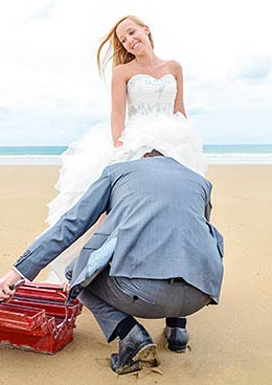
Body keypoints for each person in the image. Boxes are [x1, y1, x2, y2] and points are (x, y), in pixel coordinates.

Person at [0, 152, 225, 375]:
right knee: (182, 247)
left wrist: (16, 272)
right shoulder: (200, 182)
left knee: (75, 273)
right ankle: (177, 332)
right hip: (200, 294)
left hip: (143, 296)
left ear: (141, 160)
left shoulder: (118, 172)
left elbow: (71, 224)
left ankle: (130, 334)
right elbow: (192, 242)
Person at [45, 15, 206, 286]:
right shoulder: (123, 72)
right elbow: (117, 113)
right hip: (137, 139)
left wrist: (190, 147)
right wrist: (120, 150)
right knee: (112, 211)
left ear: (146, 30)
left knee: (179, 209)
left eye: (132, 33)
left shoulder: (174, 67)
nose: (130, 41)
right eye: (124, 39)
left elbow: (180, 111)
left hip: (176, 143)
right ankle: (81, 271)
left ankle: (172, 275)